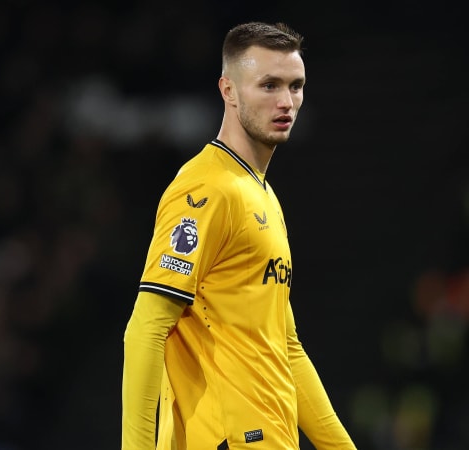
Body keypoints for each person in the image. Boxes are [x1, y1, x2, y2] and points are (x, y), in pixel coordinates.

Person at [121, 21, 356, 450]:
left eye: (296, 86)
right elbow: (146, 328)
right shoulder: (206, 187)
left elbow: (286, 347)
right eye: (268, 85)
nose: (287, 101)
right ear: (228, 91)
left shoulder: (262, 195)